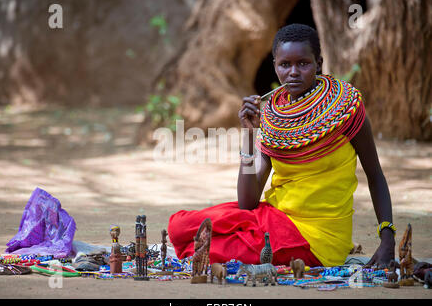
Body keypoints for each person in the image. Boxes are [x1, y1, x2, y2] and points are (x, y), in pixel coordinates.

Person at [168, 24, 395, 267]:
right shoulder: (274, 118)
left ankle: (244, 242)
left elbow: (375, 175)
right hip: (273, 219)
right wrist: (248, 133)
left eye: (303, 63)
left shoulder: (344, 109)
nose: (293, 72)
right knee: (179, 226)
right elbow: (248, 202)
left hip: (316, 238)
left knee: (207, 249)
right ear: (275, 65)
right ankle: (244, 239)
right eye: (285, 65)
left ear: (318, 63)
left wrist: (387, 240)